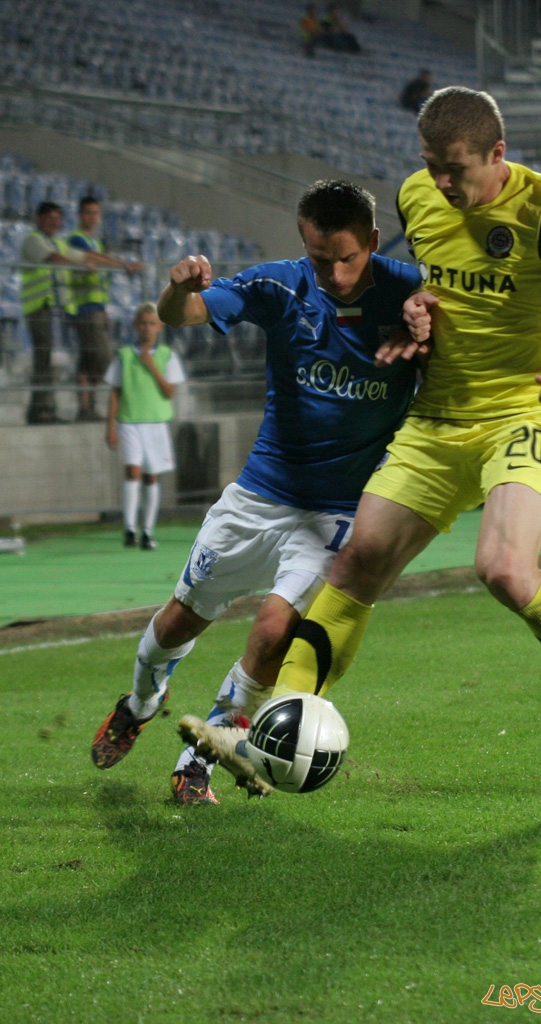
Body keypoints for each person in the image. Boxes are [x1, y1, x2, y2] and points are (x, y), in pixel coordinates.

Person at [190, 87, 541, 801]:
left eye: (455, 169)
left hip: (526, 408)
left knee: (501, 569)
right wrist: (416, 310)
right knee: (356, 562)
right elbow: (438, 287)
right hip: (439, 413)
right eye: (430, 165)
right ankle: (269, 722)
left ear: (497, 156)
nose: (439, 182)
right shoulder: (414, 196)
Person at [90, 180, 426, 803]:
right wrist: (178, 289)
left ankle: (201, 759)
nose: (333, 273)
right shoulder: (280, 286)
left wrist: (436, 320)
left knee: (274, 633)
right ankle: (139, 703)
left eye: (347, 258)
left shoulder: (412, 293)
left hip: (336, 514)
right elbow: (182, 314)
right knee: (175, 624)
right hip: (258, 497)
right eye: (319, 258)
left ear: (373, 242)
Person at [104, 302, 186, 549]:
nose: (147, 328)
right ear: (135, 326)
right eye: (143, 323)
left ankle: (147, 530)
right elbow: (115, 391)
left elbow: (170, 390)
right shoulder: (125, 355)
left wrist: (152, 368)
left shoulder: (167, 355)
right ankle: (129, 528)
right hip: (129, 421)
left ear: (159, 327)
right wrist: (110, 425)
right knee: (133, 471)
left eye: (152, 324)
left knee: (152, 476)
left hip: (157, 423)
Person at [20, 201, 99, 424]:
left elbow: (81, 256)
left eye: (57, 218)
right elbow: (53, 259)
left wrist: (118, 263)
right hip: (38, 308)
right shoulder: (33, 240)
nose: (54, 222)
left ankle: (47, 408)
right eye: (49, 218)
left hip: (54, 309)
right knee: (43, 359)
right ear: (39, 219)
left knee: (50, 360)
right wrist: (81, 266)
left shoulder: (57, 242)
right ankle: (40, 410)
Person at [67, 196, 143, 422]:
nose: (92, 217)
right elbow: (94, 259)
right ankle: (122, 406)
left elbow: (99, 259)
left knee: (87, 361)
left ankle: (86, 408)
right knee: (104, 360)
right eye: (88, 212)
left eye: (95, 213)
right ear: (80, 215)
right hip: (84, 307)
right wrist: (124, 265)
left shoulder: (95, 242)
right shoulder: (77, 240)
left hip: (96, 306)